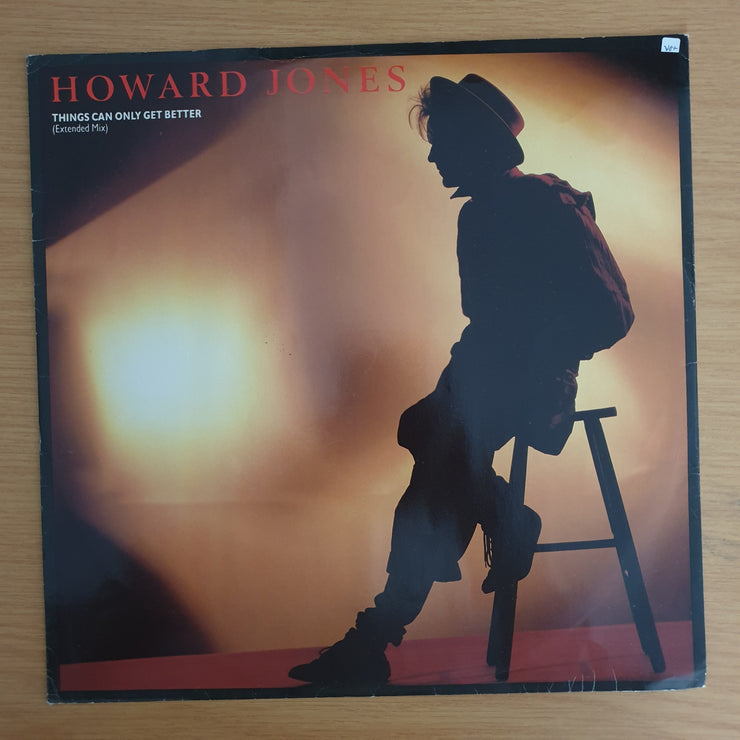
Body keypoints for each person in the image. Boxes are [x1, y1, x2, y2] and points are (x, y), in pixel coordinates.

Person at [289, 74, 634, 686]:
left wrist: (531, 352)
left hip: (533, 382)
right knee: (430, 440)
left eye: (442, 141)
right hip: (477, 376)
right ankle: (500, 516)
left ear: (475, 141)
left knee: (439, 457)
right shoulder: (475, 217)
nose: (432, 157)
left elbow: (612, 312)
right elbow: (483, 319)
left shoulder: (549, 201)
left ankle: (378, 634)